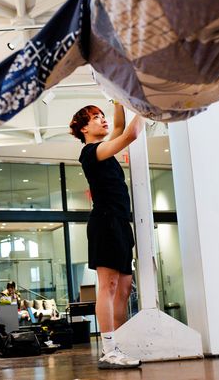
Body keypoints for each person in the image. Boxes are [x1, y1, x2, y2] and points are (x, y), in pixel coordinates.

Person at [69, 102, 144, 370]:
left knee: (124, 288)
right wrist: (146, 106)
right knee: (108, 286)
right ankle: (108, 350)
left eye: (102, 116)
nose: (102, 120)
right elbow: (131, 134)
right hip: (105, 222)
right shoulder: (90, 152)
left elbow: (121, 127)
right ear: (83, 128)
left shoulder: (105, 149)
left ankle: (119, 345)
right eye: (95, 118)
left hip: (121, 223)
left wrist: (119, 101)